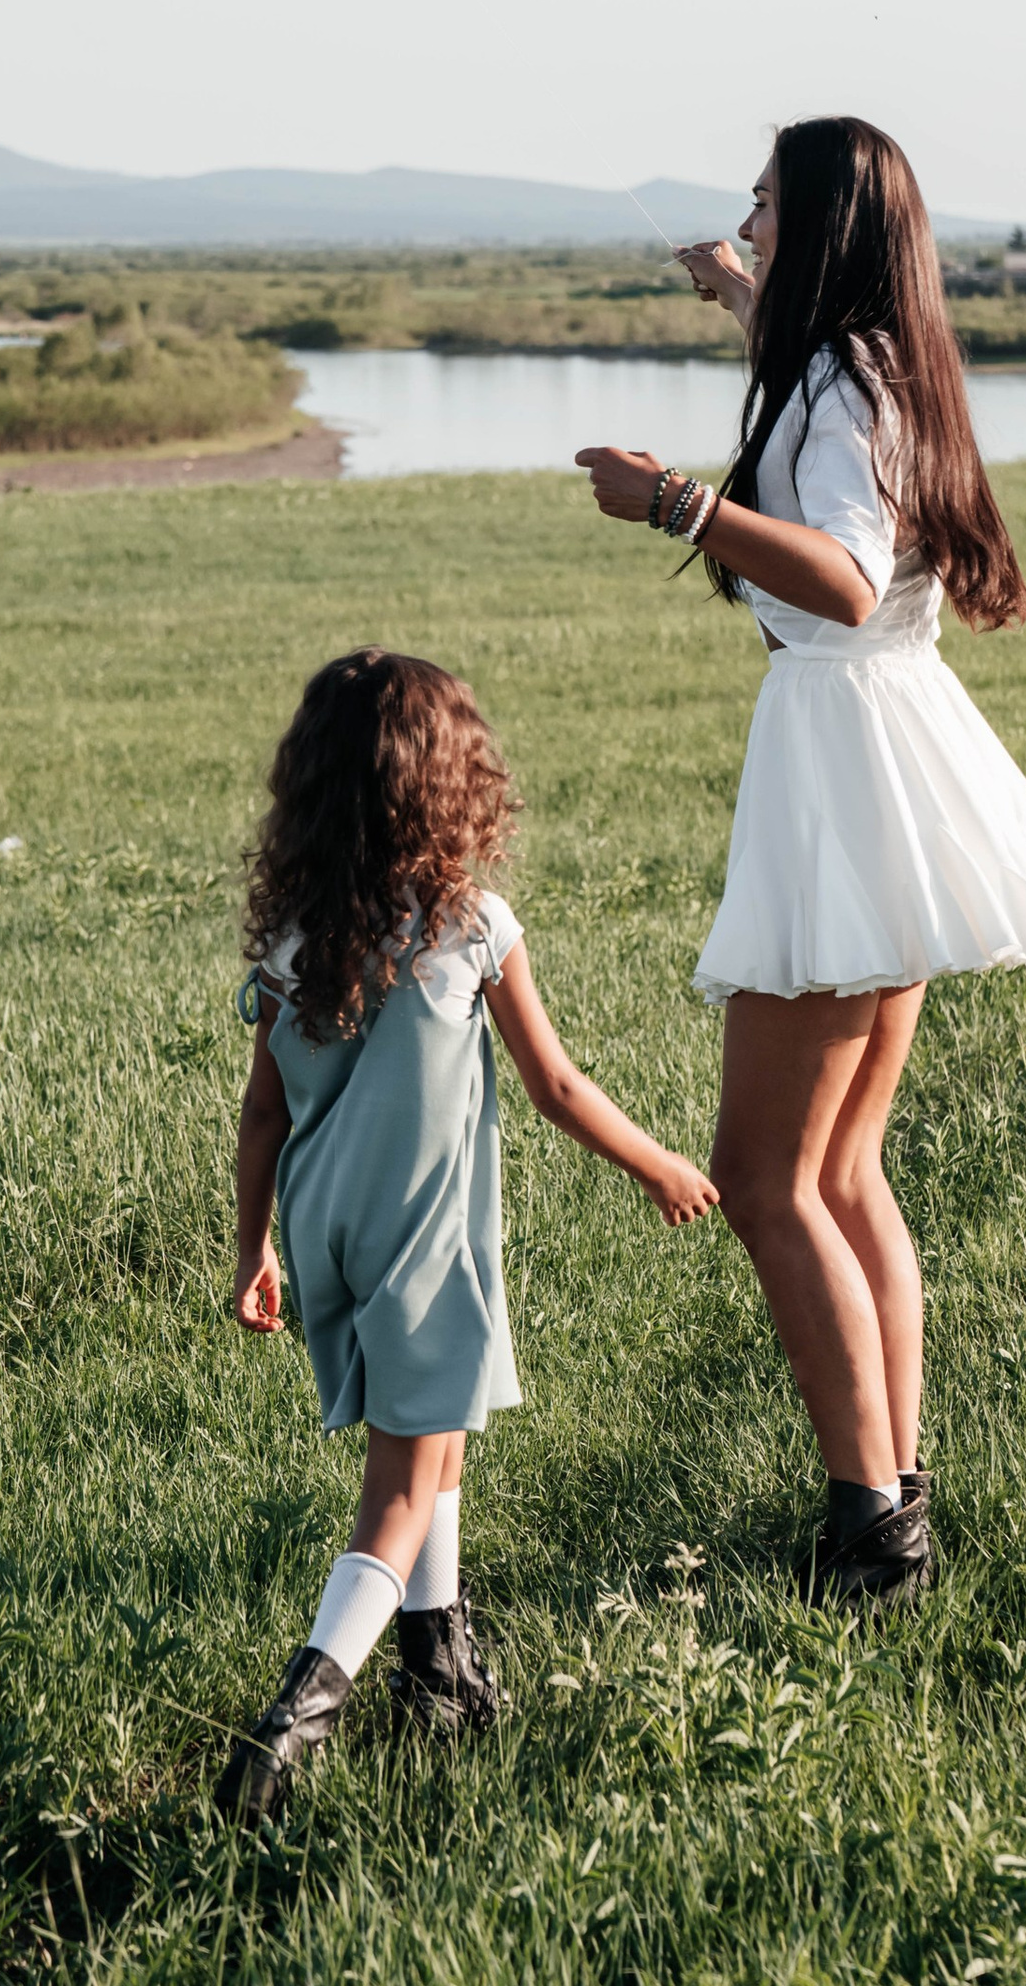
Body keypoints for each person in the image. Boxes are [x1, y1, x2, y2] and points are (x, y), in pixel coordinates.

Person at [576, 117, 1026, 1611]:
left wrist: (675, 502)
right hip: (895, 753)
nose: (745, 211)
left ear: (817, 216)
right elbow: (818, 406)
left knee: (766, 1179)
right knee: (846, 1167)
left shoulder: (836, 381)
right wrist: (737, 299)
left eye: (763, 199)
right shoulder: (883, 356)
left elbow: (836, 567)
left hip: (840, 768)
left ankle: (871, 1532)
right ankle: (896, 1491)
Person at [220, 647, 718, 1823]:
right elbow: (554, 1086)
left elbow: (261, 1114)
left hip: (331, 1232)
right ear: (451, 786)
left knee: (434, 1450)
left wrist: (254, 1249)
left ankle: (440, 1674)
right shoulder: (472, 927)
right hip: (421, 1241)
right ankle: (290, 1728)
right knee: (398, 1490)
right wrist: (656, 1162)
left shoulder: (289, 949)